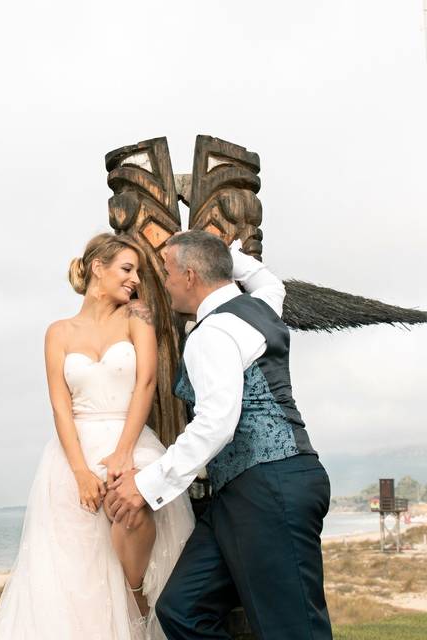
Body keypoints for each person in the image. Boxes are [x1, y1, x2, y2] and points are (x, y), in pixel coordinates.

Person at [108, 231, 333, 640]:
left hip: (270, 487)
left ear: (190, 276)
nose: (164, 280)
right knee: (181, 609)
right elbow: (269, 281)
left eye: (167, 270)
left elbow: (216, 423)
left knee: (292, 631)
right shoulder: (261, 305)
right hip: (240, 494)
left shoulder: (211, 334)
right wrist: (230, 254)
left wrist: (145, 485)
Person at [0, 232, 195, 640]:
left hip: (129, 437)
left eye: (136, 271)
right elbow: (60, 406)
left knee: (133, 506)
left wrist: (123, 452)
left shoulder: (139, 316)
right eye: (126, 269)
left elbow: (147, 382)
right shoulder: (58, 333)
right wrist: (80, 470)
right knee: (77, 568)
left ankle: (138, 599)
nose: (134, 279)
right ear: (98, 268)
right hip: (74, 452)